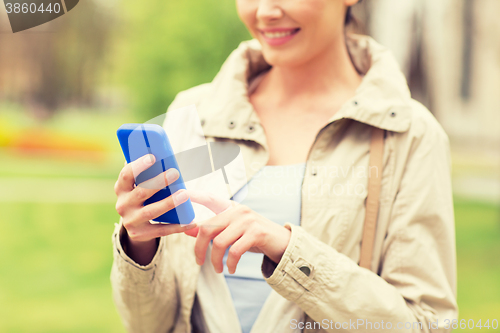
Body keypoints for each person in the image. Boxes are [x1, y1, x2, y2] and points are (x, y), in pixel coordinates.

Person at [111, 0, 458, 332]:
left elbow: (426, 324)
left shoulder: (409, 134)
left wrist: (286, 249)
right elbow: (149, 326)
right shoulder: (196, 114)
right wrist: (141, 247)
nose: (265, 11)